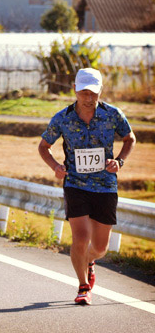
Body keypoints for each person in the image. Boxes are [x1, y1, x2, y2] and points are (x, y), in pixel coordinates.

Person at [38, 68, 135, 306]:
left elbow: (130, 138)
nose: (88, 98)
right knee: (80, 239)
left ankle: (90, 261)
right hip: (76, 184)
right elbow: (43, 146)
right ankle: (83, 286)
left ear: (100, 91)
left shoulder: (113, 115)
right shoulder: (62, 118)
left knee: (100, 248)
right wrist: (55, 167)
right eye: (83, 92)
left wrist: (119, 160)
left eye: (93, 92)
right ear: (75, 90)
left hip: (105, 186)